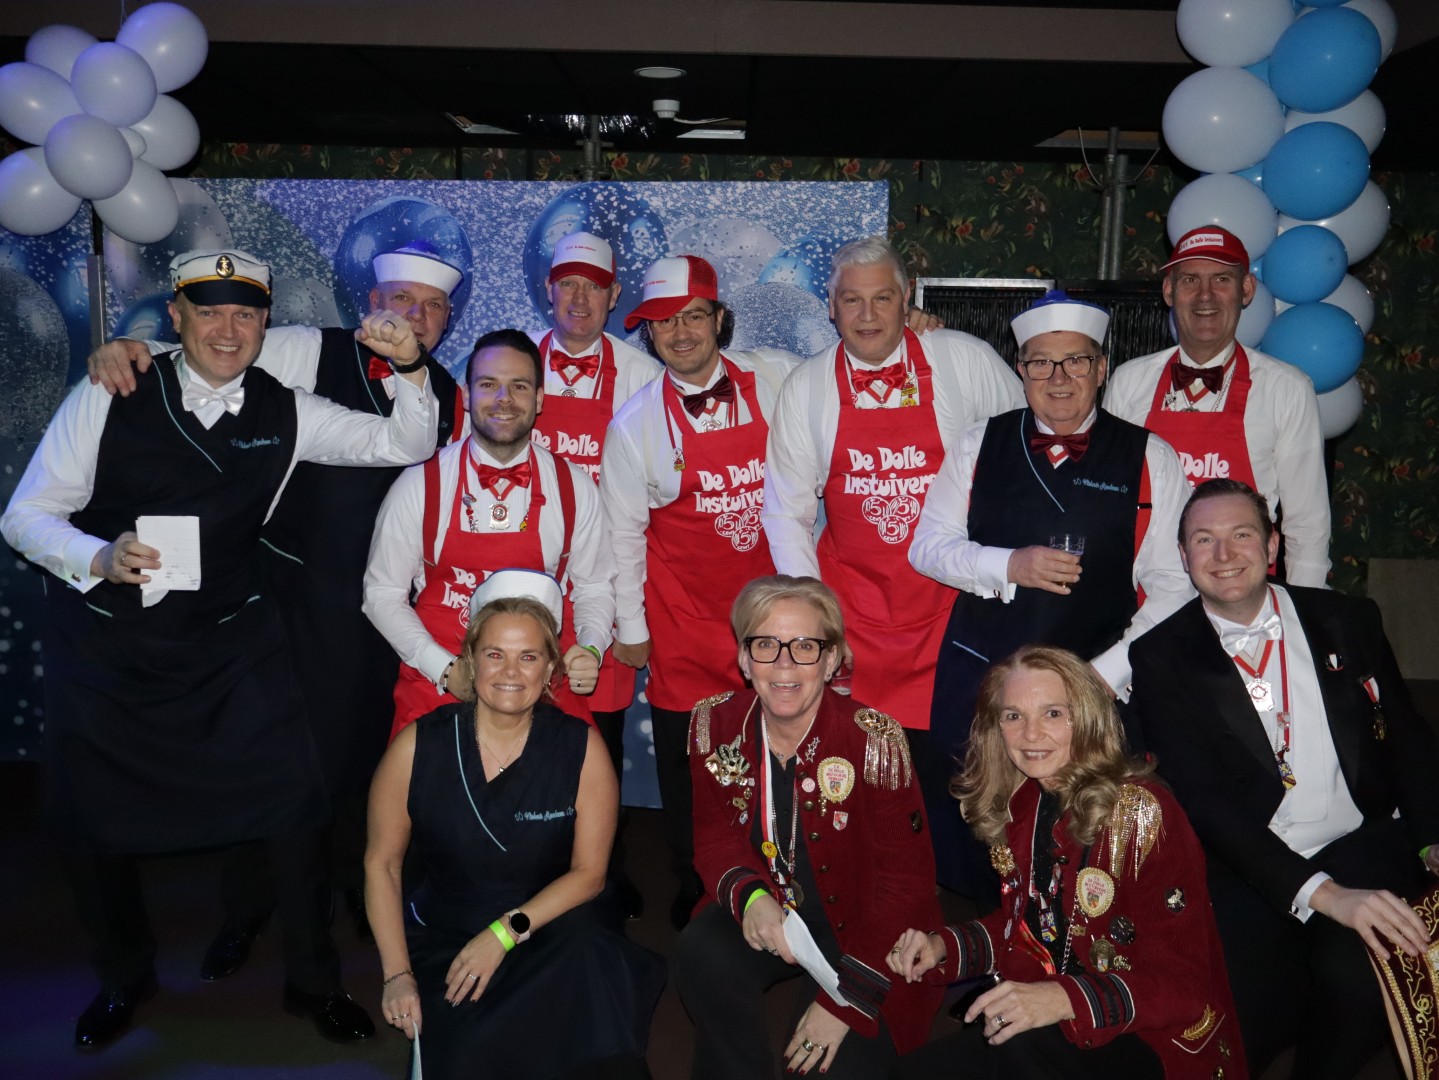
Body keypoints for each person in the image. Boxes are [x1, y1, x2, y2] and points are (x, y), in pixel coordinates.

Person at [0, 248, 442, 1050]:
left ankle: (313, 983)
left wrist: (410, 370)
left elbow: (403, 443)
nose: (228, 329)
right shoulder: (110, 391)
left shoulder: (288, 407)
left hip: (229, 641)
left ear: (265, 323)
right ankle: (124, 975)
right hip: (107, 645)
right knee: (92, 821)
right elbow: (24, 516)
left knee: (294, 805)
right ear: (177, 317)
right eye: (208, 312)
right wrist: (97, 556)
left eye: (245, 314)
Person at [85, 243, 468, 970]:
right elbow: (215, 354)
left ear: (447, 321)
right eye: (401, 299)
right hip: (290, 597)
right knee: (274, 761)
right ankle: (250, 903)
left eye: (432, 307)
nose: (414, 316)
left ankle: (359, 890)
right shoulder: (306, 349)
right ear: (372, 304)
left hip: (385, 607)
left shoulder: (445, 390)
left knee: (366, 755)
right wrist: (134, 350)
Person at [1129, 479, 1439, 1079]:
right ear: (1184, 556)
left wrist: (1431, 838)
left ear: (1272, 545)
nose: (1224, 554)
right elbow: (1204, 802)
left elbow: (1407, 735)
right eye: (1204, 540)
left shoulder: (1347, 618)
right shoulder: (1160, 655)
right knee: (1235, 1020)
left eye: (1241, 534)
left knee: (1360, 975)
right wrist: (1324, 895)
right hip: (1246, 860)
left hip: (1358, 841)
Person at [908, 290, 1192, 899]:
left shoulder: (1151, 457)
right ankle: (986, 943)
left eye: (1076, 361)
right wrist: (1009, 564)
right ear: (1021, 369)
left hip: (1093, 679)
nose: (1058, 377)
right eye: (1041, 362)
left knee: (1084, 842)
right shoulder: (978, 442)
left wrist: (1105, 675)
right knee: (979, 838)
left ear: (1102, 368)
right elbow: (926, 547)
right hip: (984, 675)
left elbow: (1176, 586)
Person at [888, 646, 1246, 1080]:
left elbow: (1184, 987)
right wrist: (943, 946)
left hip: (1147, 1037)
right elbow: (1031, 927)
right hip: (1045, 1017)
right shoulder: (1024, 802)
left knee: (1018, 1052)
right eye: (1013, 716)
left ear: (1087, 719)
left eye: (1053, 713)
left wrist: (1062, 999)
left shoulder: (1142, 813)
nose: (1030, 734)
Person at [761, 236, 1024, 821]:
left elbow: (1020, 455)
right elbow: (786, 514)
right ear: (830, 307)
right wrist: (818, 623)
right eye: (851, 300)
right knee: (859, 786)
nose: (868, 315)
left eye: (883, 298)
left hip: (952, 613)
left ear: (908, 300)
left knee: (954, 780)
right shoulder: (807, 387)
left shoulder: (963, 360)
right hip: (855, 620)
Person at [365, 569, 664, 1080]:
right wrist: (397, 975)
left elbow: (590, 874)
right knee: (470, 1056)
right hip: (451, 937)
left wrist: (504, 934)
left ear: (550, 669)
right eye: (494, 654)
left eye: (528, 656)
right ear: (469, 661)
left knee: (597, 1047)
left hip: (550, 930)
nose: (510, 671)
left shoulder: (581, 748)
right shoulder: (417, 746)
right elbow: (382, 865)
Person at [675, 575, 944, 1079]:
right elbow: (714, 838)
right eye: (765, 645)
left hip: (866, 928)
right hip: (773, 905)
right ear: (744, 658)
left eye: (804, 646)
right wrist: (752, 898)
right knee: (702, 953)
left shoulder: (874, 741)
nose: (784, 664)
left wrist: (844, 1004)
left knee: (828, 1069)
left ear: (831, 658)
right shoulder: (715, 724)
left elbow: (907, 885)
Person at [600, 254, 795, 929]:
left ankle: (781, 875)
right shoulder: (633, 425)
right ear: (649, 333)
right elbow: (622, 534)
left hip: (771, 618)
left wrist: (917, 330)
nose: (679, 333)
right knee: (693, 767)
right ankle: (697, 882)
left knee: (776, 752)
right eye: (663, 323)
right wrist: (632, 630)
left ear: (718, 318)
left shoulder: (778, 379)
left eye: (692, 316)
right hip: (683, 619)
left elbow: (848, 374)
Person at [365, 328, 614, 737]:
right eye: (488, 385)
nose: (504, 399)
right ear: (467, 396)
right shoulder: (419, 485)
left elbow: (595, 587)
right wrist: (444, 668)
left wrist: (590, 646)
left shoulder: (574, 487)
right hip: (439, 679)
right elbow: (382, 594)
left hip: (540, 686)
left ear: (539, 399)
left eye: (519, 386)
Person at [530, 232, 660, 881]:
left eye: (594, 287)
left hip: (601, 586)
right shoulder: (511, 367)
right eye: (568, 285)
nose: (579, 298)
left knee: (597, 741)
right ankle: (530, 870)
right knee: (523, 730)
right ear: (549, 290)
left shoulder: (643, 377)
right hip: (524, 585)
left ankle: (602, 876)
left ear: (614, 297)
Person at [1103, 226, 1330, 587]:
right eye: (1190, 279)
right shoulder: (1129, 381)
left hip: (1241, 592)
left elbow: (1308, 523)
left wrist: (1306, 609)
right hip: (1144, 594)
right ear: (1169, 291)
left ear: (1246, 290)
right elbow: (1107, 501)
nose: (1205, 295)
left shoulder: (1286, 388)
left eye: (1221, 279)